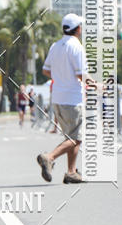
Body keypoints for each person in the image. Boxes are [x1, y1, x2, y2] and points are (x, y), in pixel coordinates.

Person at [36, 13, 88, 185]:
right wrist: (97, 85)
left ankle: (71, 172)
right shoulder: (76, 47)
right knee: (77, 137)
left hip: (57, 97)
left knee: (71, 136)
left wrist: (60, 77)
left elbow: (45, 70)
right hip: (73, 98)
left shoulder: (55, 46)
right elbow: (81, 74)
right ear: (77, 29)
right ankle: (49, 157)